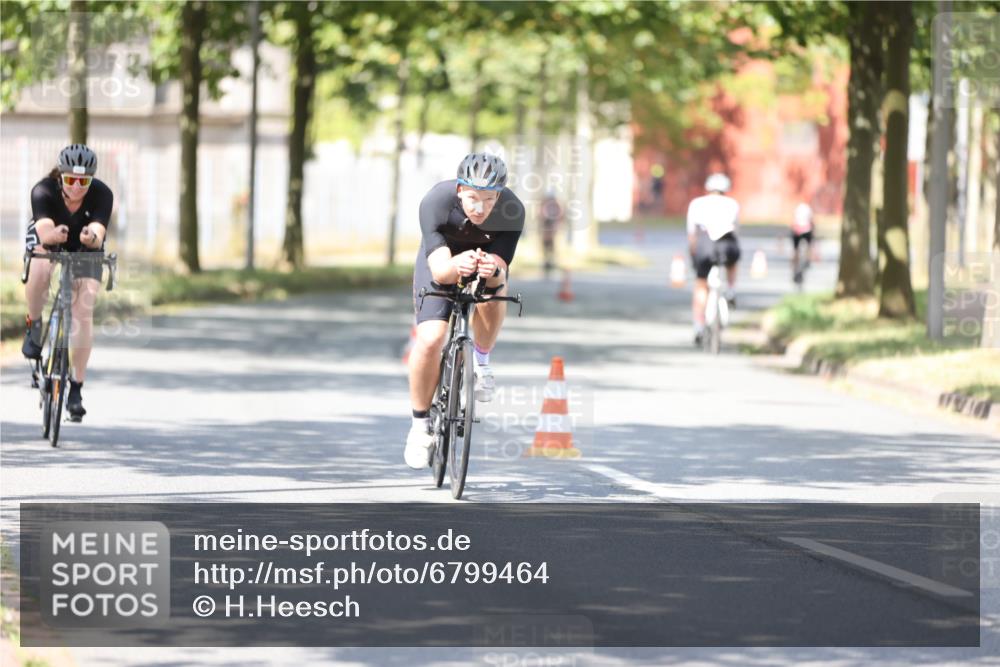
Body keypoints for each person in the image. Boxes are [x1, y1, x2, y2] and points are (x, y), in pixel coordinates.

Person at [405, 153, 525, 469]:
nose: (480, 208)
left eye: (489, 199)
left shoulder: (512, 212)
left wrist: (491, 270)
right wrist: (456, 265)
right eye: (473, 198)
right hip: (442, 260)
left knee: (495, 293)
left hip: (484, 262)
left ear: (500, 196)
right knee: (431, 338)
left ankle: (482, 362)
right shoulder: (436, 202)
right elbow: (441, 272)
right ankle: (419, 427)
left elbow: (500, 271)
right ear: (460, 190)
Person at [22, 144, 113, 420]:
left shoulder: (102, 194)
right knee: (40, 266)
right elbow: (44, 232)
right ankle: (35, 325)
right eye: (71, 180)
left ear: (91, 180)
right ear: (60, 176)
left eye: (83, 182)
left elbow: (98, 231)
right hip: (51, 236)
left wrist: (91, 238)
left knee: (83, 311)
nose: (76, 187)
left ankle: (76, 388)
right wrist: (54, 236)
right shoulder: (43, 191)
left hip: (84, 246)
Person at [687, 172, 741, 346]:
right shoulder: (732, 204)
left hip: (705, 245)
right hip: (727, 244)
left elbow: (692, 234)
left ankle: (698, 325)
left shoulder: (697, 204)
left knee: (701, 284)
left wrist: (694, 255)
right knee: (733, 261)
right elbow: (736, 231)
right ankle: (731, 289)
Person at [539, 189, 563, 280]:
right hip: (547, 229)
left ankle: (552, 262)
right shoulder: (545, 204)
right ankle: (546, 262)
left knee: (553, 247)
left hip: (553, 230)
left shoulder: (557, 205)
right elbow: (541, 215)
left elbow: (560, 216)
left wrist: (556, 225)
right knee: (546, 247)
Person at [791, 201, 815, 285]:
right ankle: (807, 261)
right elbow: (812, 220)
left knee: (796, 250)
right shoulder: (808, 208)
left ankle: (794, 265)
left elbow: (793, 219)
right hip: (806, 229)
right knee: (808, 247)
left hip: (797, 229)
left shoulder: (797, 208)